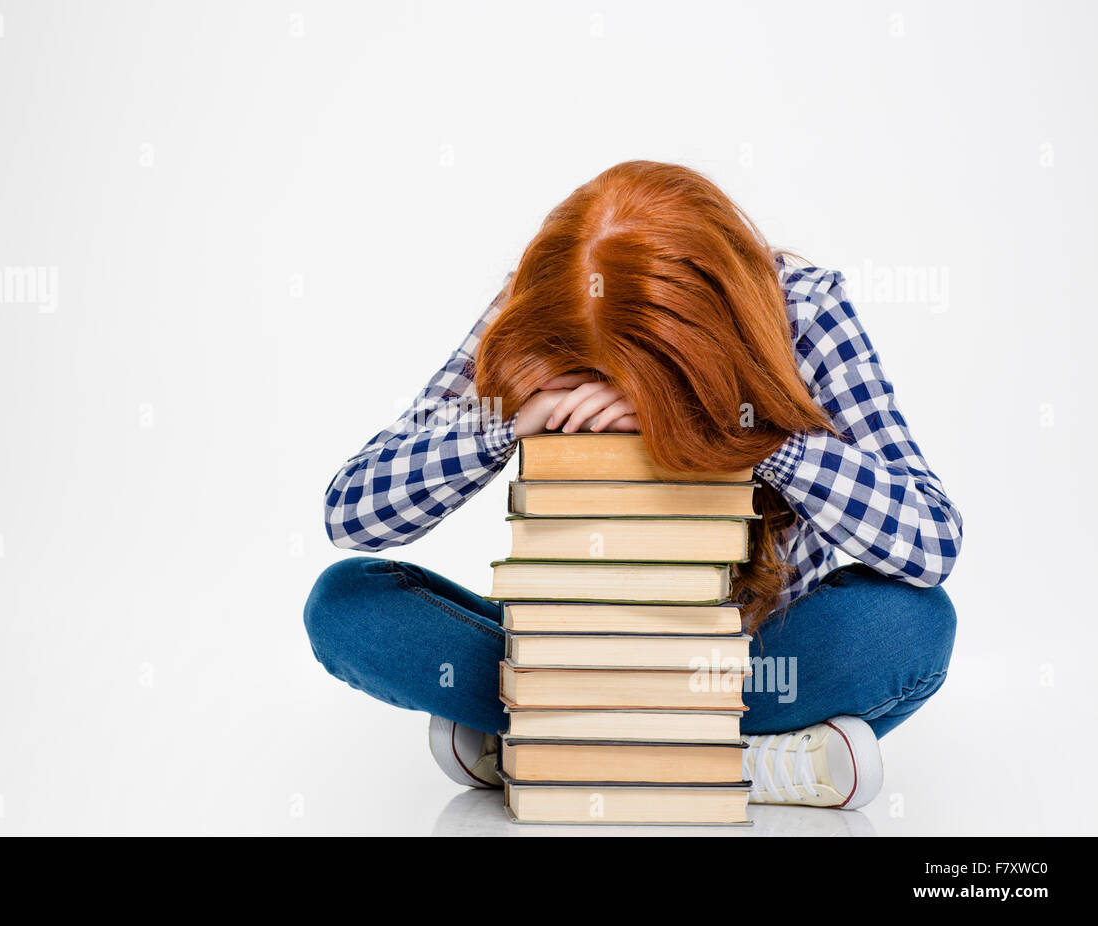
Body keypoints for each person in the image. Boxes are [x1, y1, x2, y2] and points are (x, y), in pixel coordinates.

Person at [303, 161, 961, 809]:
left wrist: (742, 432)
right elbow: (349, 512)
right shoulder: (538, 306)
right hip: (570, 651)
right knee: (349, 607)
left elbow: (932, 538)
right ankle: (752, 762)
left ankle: (545, 748)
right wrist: (500, 428)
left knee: (912, 625)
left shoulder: (803, 306)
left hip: (744, 657)